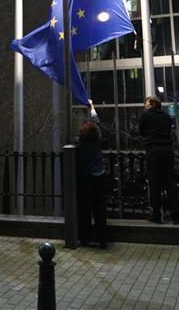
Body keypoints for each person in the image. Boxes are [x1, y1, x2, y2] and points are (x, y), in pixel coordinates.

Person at [138, 95, 178, 223]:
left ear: (152, 104)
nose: (145, 106)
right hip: (167, 149)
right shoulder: (167, 117)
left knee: (154, 183)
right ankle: (176, 214)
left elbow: (142, 132)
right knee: (170, 182)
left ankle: (156, 214)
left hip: (153, 150)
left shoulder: (146, 116)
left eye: (147, 104)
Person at [76, 100, 107, 248]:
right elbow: (96, 121)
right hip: (99, 177)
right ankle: (102, 239)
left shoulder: (80, 144)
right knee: (99, 209)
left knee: (85, 209)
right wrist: (92, 106)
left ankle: (85, 238)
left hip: (85, 178)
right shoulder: (97, 139)